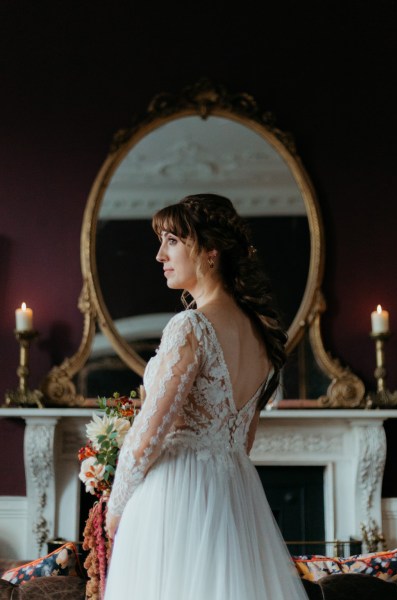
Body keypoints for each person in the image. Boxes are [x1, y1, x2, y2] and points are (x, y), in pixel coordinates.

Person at [104, 194, 309, 599]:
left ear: (210, 252)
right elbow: (244, 442)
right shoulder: (262, 335)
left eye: (173, 241)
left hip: (177, 494)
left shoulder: (191, 326)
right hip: (234, 490)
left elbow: (149, 433)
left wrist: (116, 507)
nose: (160, 254)